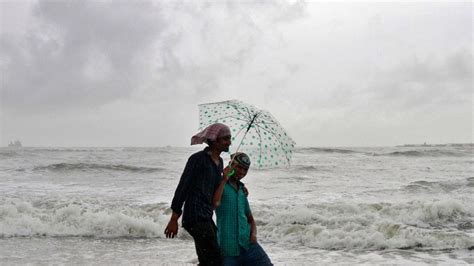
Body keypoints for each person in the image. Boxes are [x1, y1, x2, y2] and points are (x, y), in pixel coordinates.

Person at [164, 123, 232, 266]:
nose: (229, 142)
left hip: (206, 215)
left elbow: (215, 191)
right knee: (214, 260)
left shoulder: (219, 163)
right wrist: (174, 219)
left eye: (230, 138)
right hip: (194, 216)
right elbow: (183, 187)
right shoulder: (197, 159)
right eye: (226, 139)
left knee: (208, 259)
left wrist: (232, 182)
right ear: (214, 140)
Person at [213, 152, 273, 266]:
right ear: (230, 164)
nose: (242, 172)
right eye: (239, 167)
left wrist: (254, 235)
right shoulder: (219, 184)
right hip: (228, 249)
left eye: (245, 169)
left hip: (249, 246)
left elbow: (250, 219)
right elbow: (214, 204)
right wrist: (224, 180)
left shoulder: (241, 190)